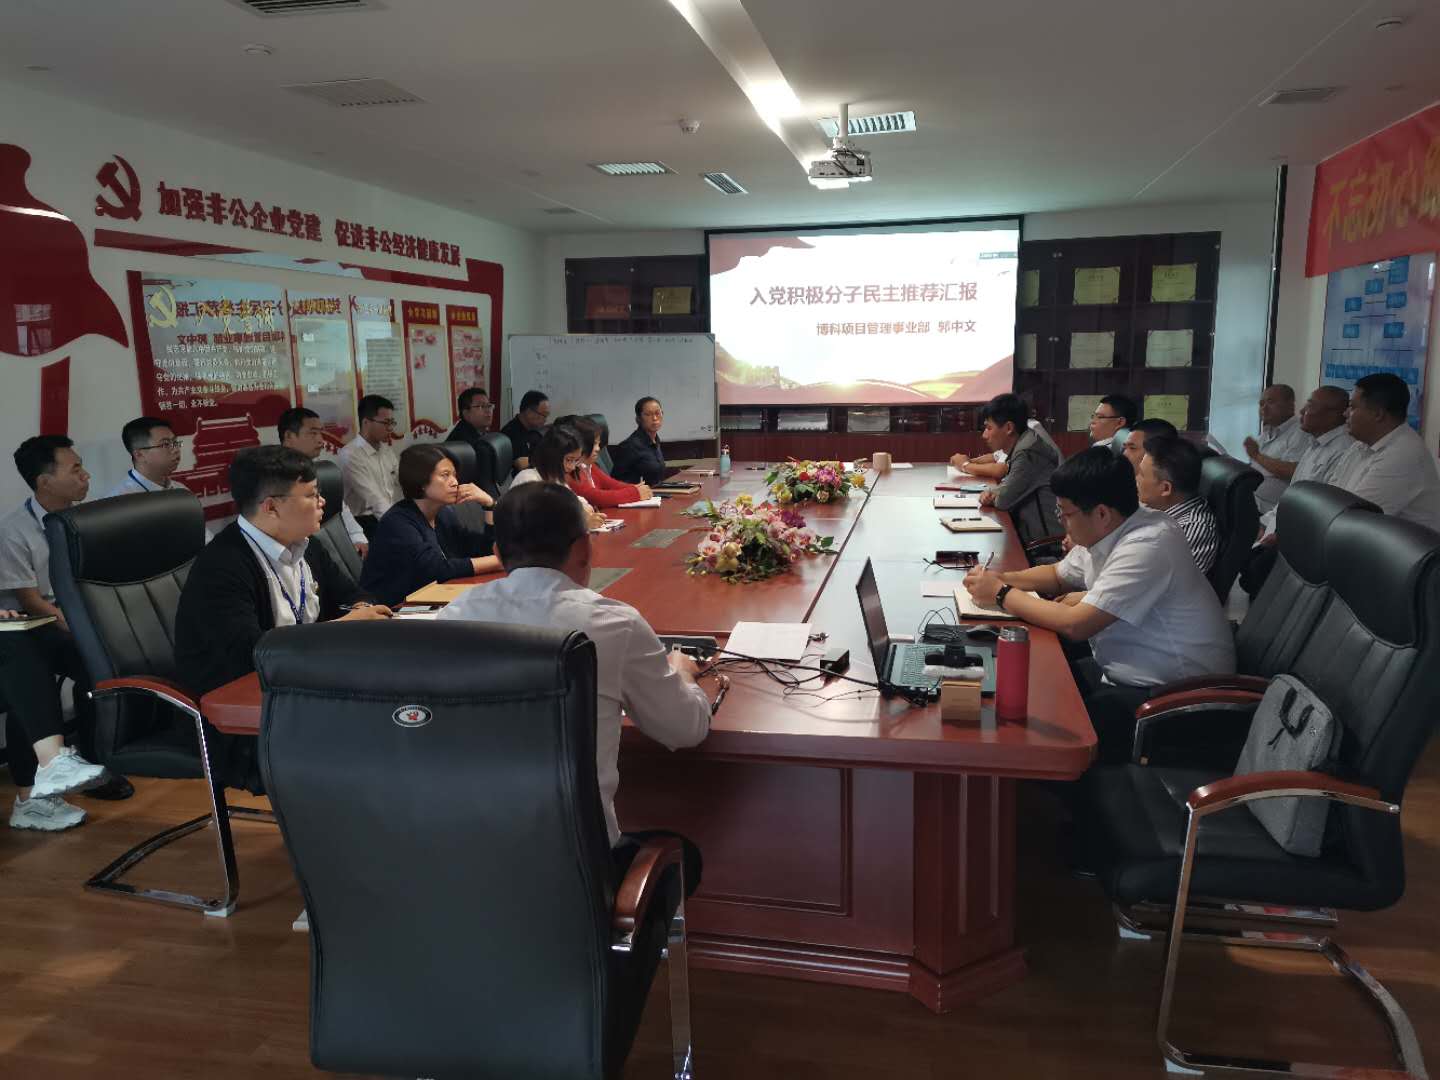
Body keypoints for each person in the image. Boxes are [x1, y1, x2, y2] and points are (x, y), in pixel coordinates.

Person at [437, 478, 709, 862]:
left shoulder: (452, 617)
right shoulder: (614, 623)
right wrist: (682, 673)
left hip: (466, 853)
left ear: (497, 552)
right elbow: (685, 729)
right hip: (576, 863)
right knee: (686, 856)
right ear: (584, 547)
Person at [963, 447, 1234, 762]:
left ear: (1101, 513)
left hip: (1174, 703)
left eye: (1066, 514)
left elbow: (1076, 624)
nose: (1063, 523)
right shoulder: (1113, 525)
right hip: (1126, 674)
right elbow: (1057, 575)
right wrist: (1000, 578)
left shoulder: (1149, 543)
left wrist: (1001, 593)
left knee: (1032, 728)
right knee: (1031, 681)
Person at [175, 446, 391, 791]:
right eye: (311, 495)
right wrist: (344, 627)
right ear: (271, 507)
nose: (322, 502)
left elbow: (353, 595)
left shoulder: (306, 545)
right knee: (373, 738)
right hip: (244, 717)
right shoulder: (223, 566)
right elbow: (252, 652)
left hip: (302, 686)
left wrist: (363, 611)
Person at [0, 436, 126, 830]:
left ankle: (93, 762)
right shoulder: (15, 530)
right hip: (39, 623)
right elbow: (31, 601)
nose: (85, 475)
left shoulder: (84, 519)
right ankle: (35, 788)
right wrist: (81, 628)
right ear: (45, 482)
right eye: (75, 469)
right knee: (30, 670)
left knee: (98, 670)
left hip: (67, 620)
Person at [1239, 386, 1357, 596]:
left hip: (1307, 534)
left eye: (1310, 406)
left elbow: (1323, 507)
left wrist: (1278, 534)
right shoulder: (1314, 444)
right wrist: (1265, 524)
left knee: (1257, 568)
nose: (1302, 411)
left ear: (1333, 414)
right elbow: (1291, 495)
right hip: (1278, 520)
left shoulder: (1343, 449)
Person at [358, 444, 503, 607]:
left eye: (454, 475)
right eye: (445, 475)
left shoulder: (443, 514)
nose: (455, 482)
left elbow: (481, 549)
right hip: (391, 610)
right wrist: (501, 560)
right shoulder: (397, 523)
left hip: (432, 601)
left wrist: (490, 505)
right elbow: (435, 570)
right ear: (421, 481)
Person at [1330, 372, 1440, 532]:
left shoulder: (1403, 455)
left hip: (1402, 547)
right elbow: (1331, 493)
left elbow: (1353, 518)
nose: (1345, 413)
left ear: (1378, 414)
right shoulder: (1360, 444)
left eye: (1352, 407)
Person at [277, 406, 368, 557]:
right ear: (289, 436)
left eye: (320, 433)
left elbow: (339, 509)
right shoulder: (274, 476)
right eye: (313, 433)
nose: (320, 440)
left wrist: (358, 538)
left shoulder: (321, 471)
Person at [974, 393, 1058, 544]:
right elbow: (1008, 487)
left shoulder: (1027, 452)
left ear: (1008, 428)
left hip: (1045, 546)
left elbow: (1004, 499)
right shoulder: (1024, 443)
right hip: (1029, 537)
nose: (984, 435)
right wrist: (993, 492)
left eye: (989, 428)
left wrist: (993, 494)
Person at [1136, 434, 1219, 576]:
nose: (1136, 479)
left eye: (1141, 475)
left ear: (1165, 489)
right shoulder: (1155, 508)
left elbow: (1162, 584)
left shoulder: (1193, 529)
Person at [513, 425, 608, 529]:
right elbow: (540, 526)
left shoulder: (557, 480)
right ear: (552, 455)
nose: (572, 467)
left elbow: (579, 503)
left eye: (575, 460)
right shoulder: (528, 479)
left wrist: (584, 510)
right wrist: (582, 523)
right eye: (569, 460)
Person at [554, 414, 652, 508]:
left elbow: (611, 484)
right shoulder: (571, 470)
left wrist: (637, 488)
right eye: (594, 444)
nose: (598, 448)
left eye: (598, 443)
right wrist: (635, 492)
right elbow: (594, 497)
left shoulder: (590, 465)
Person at [1243, 384, 1313, 515]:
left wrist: (1257, 455)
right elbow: (1256, 466)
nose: (1264, 408)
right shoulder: (1267, 431)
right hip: (1253, 499)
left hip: (1272, 510)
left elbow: (1292, 471)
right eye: (1261, 404)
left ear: (1290, 404)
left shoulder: (1301, 432)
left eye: (1270, 402)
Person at [337, 394, 401, 527]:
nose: (390, 428)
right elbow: (374, 499)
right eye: (386, 423)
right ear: (366, 422)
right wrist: (398, 525)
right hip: (363, 523)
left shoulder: (386, 451)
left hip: (388, 514)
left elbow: (402, 481)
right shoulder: (350, 455)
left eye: (392, 422)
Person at [104, 416, 192, 498]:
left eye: (175, 442)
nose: (176, 449)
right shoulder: (120, 501)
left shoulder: (182, 490)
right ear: (139, 455)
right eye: (166, 444)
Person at [611, 396, 667, 486]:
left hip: (657, 492)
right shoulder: (629, 446)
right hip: (637, 494)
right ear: (638, 419)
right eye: (648, 414)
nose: (655, 418)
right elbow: (615, 482)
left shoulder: (655, 441)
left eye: (658, 413)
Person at [500, 390, 550, 472]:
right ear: (529, 412)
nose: (545, 420)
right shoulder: (511, 434)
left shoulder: (532, 431)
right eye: (543, 415)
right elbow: (521, 464)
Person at [446, 386, 495, 457]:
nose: (488, 410)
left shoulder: (482, 433)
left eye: (489, 406)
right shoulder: (463, 442)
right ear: (466, 413)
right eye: (481, 406)